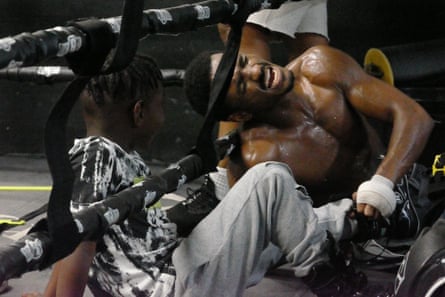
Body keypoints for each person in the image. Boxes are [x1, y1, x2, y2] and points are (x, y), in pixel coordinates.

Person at [29, 54, 174, 297]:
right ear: (139, 112)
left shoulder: (124, 158)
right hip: (158, 288)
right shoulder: (96, 156)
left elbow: (70, 235)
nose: (163, 116)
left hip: (162, 276)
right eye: (160, 106)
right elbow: (77, 245)